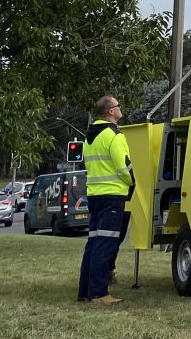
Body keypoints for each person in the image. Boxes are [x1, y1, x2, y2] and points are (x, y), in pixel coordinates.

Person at [77, 95, 134, 304]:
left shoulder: (89, 137)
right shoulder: (114, 135)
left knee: (93, 243)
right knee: (106, 245)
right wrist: (132, 181)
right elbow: (123, 166)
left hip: (95, 195)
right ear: (111, 111)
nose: (120, 109)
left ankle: (85, 291)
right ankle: (99, 293)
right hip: (112, 196)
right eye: (118, 106)